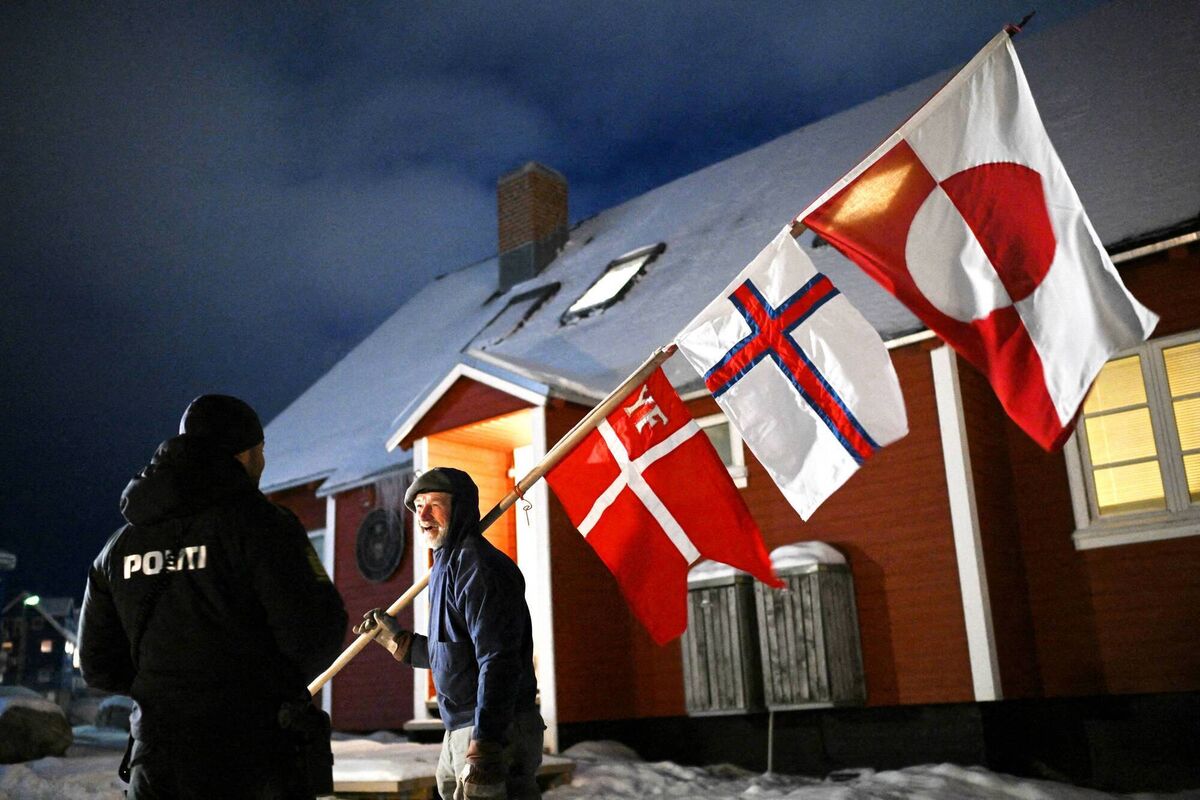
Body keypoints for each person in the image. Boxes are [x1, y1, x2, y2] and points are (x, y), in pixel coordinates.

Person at [78, 394, 348, 799]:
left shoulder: (118, 548)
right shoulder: (263, 526)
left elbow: (96, 664)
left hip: (155, 762)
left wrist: (165, 689)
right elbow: (315, 632)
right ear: (245, 454)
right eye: (261, 451)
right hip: (252, 759)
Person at [355, 467, 543, 800]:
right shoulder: (447, 564)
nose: (422, 514)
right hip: (461, 727)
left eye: (434, 503)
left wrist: (485, 744)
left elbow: (498, 659)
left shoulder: (479, 567)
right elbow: (457, 653)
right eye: (418, 504)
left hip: (496, 727)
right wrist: (399, 643)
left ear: (462, 509)